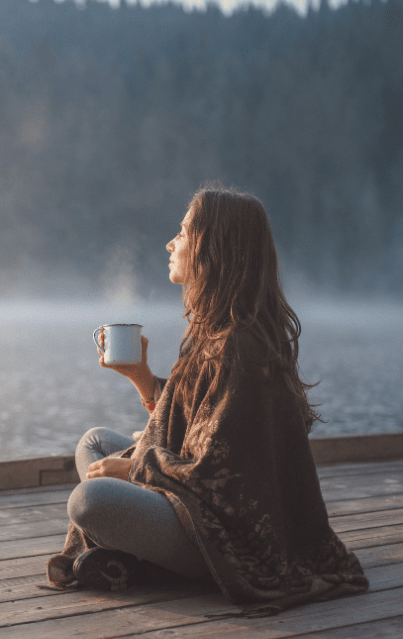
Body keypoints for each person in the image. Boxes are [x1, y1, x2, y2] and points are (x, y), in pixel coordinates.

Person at [46, 184, 369, 614]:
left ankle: (143, 557)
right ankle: (132, 547)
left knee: (90, 501)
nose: (170, 242)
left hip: (230, 536)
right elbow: (195, 421)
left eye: (182, 231)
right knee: (95, 443)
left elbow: (221, 474)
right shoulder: (213, 330)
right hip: (193, 500)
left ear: (212, 247)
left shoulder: (241, 345)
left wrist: (137, 467)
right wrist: (141, 377)